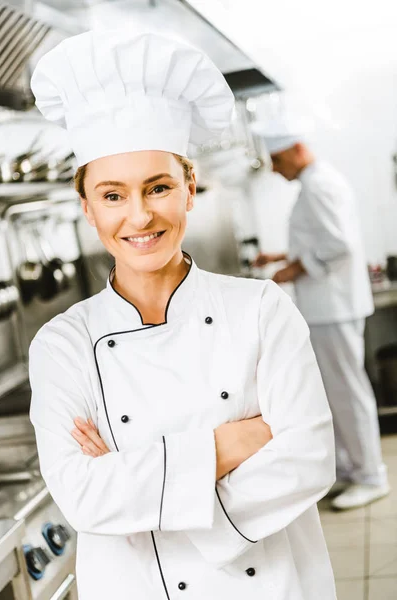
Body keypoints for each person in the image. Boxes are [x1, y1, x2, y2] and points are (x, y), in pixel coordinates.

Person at [28, 30, 336, 600]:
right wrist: (231, 445)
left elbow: (310, 459)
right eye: (113, 195)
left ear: (190, 188)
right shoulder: (62, 343)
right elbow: (82, 497)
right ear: (88, 208)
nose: (140, 216)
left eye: (159, 187)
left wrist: (138, 487)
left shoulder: (262, 309)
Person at [253, 116, 389, 510]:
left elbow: (339, 245)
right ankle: (349, 469)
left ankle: (370, 475)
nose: (276, 170)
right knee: (337, 392)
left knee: (349, 391)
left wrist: (291, 270)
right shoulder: (314, 184)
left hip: (334, 306)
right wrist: (281, 256)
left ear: (296, 150)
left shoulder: (320, 185)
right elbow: (321, 240)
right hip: (327, 306)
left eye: (277, 160)